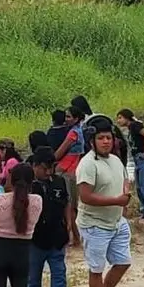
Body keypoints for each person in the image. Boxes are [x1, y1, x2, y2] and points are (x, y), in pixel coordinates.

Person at [75, 118, 132, 287]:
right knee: (96, 269)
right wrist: (116, 200)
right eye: (101, 138)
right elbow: (86, 196)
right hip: (94, 224)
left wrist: (125, 193)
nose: (106, 142)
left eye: (109, 137)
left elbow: (124, 179)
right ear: (92, 141)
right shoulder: (88, 164)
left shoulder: (116, 160)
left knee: (123, 261)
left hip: (117, 221)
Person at [27, 147, 75, 287]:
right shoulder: (28, 185)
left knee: (59, 272)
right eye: (44, 168)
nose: (48, 172)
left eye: (51, 168)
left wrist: (69, 223)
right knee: (33, 274)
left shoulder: (59, 181)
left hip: (57, 235)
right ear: (34, 166)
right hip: (35, 238)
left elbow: (66, 203)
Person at [55, 105, 87, 246]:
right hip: (74, 170)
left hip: (66, 171)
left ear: (76, 118)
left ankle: (75, 237)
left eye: (69, 116)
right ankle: (76, 237)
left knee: (68, 206)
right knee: (73, 206)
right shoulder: (80, 131)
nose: (66, 119)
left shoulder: (72, 133)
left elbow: (59, 153)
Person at [116, 109, 144, 221]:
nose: (118, 121)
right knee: (139, 187)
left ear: (126, 117)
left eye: (120, 118)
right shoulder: (131, 128)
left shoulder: (134, 126)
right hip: (138, 160)